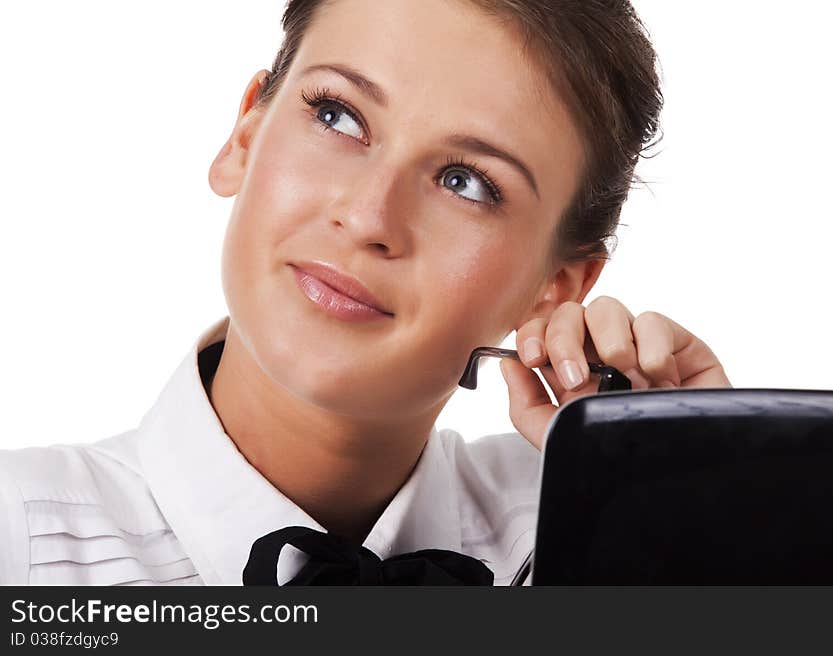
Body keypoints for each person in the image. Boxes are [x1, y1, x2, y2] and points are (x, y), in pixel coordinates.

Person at [0, 0, 730, 586]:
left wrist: (720, 503)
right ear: (244, 137)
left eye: (466, 183)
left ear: (556, 287)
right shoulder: (19, 545)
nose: (368, 217)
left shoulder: (601, 525)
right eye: (337, 116)